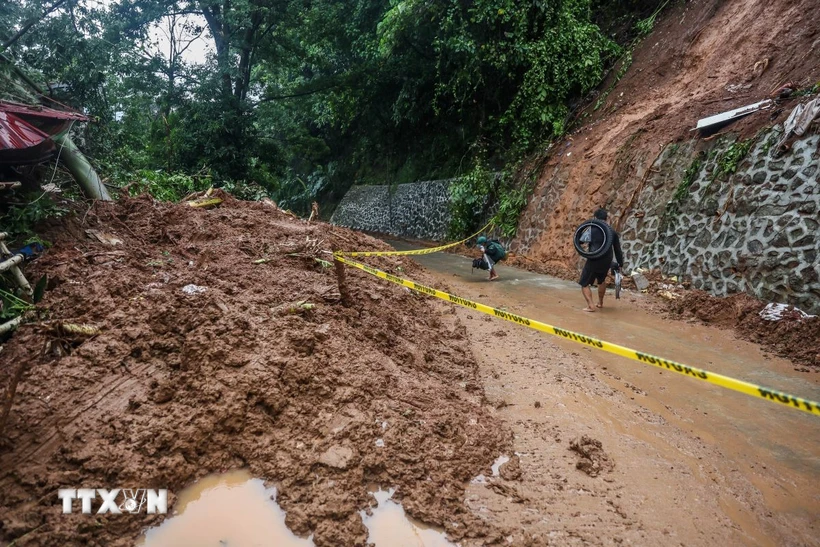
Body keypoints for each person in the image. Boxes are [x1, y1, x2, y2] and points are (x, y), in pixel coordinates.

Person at [579, 208, 623, 312]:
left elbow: (580, 241)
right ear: (606, 218)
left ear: (595, 218)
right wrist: (620, 263)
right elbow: (617, 249)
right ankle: (600, 303)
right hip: (607, 260)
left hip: (594, 258)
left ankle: (591, 306)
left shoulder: (592, 229)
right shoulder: (612, 231)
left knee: (584, 283)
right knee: (601, 280)